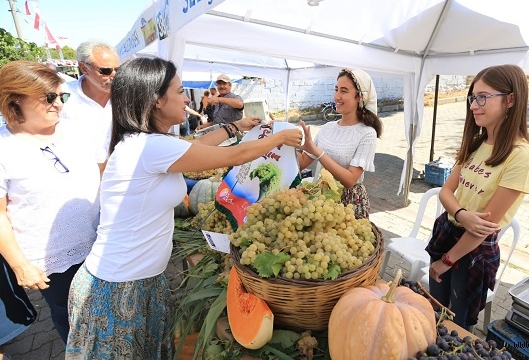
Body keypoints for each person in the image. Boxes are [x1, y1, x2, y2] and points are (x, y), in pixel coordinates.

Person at [66, 57, 303, 359]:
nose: (186, 98)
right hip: (118, 288)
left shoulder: (146, 143)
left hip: (137, 281)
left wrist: (234, 127)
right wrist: (281, 137)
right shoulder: (150, 147)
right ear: (155, 100)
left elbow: (193, 145)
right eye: (179, 91)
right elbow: (238, 156)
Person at [425, 64, 529, 330]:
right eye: (472, 97)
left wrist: (448, 260)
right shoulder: (477, 142)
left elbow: (483, 227)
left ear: (510, 99)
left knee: (456, 326)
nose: (474, 105)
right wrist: (462, 214)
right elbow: (445, 191)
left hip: (471, 252)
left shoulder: (521, 156)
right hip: (446, 233)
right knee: (434, 311)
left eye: (483, 97)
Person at [0, 61, 103, 343]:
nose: (58, 103)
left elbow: (103, 171)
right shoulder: (4, 148)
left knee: (108, 309)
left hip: (101, 240)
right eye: (49, 97)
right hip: (53, 260)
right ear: (14, 99)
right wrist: (20, 265)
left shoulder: (77, 131)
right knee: (73, 319)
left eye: (62, 96)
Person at [297, 68, 382, 219]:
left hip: (348, 204)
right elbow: (302, 162)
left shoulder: (367, 133)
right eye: (336, 89)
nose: (337, 96)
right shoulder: (327, 128)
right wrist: (280, 140)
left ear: (359, 97)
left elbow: (350, 180)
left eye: (344, 91)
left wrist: (319, 153)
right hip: (322, 198)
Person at [60, 40, 120, 170]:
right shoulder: (61, 95)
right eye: (106, 71)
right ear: (84, 68)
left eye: (118, 70)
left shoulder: (126, 95)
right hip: (78, 178)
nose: (114, 75)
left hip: (120, 178)